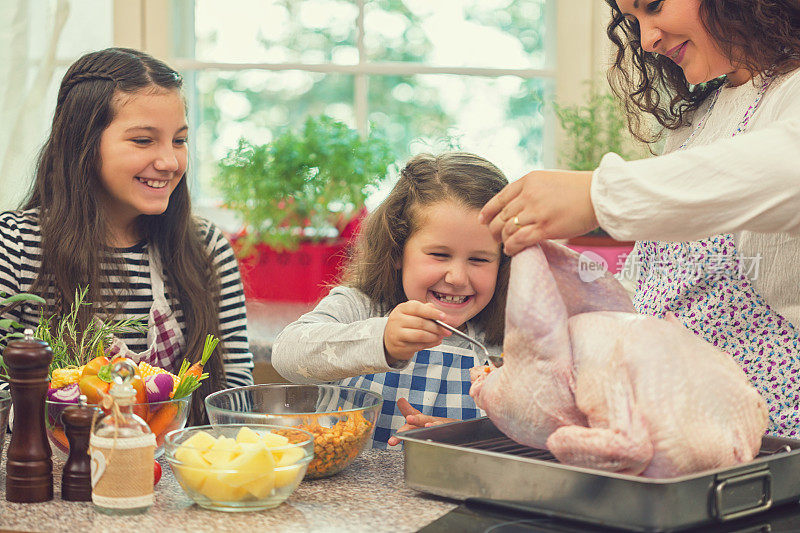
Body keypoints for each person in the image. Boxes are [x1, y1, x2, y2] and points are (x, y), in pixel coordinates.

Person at [480, 0, 800, 437]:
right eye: (633, 21)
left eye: (654, 5)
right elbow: (655, 281)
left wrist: (596, 194)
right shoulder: (694, 121)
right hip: (676, 429)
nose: (648, 39)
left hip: (775, 441)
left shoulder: (790, 95)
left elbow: (784, 168)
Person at [0, 48, 253, 423]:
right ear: (82, 143)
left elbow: (234, 393)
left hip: (171, 474)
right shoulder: (16, 245)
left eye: (179, 140)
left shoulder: (206, 247)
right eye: (143, 140)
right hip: (58, 475)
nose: (169, 161)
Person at [272, 152, 510, 448]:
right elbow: (286, 353)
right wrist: (381, 341)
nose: (458, 277)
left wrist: (469, 436)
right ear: (397, 251)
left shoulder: (508, 341)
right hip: (350, 491)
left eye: (479, 259)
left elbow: (534, 436)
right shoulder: (360, 306)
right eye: (439, 254)